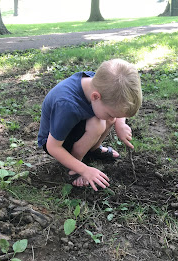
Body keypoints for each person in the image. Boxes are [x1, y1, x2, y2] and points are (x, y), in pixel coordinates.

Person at [38, 58, 142, 191]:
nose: (115, 117)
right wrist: (85, 170)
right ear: (95, 97)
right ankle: (75, 168)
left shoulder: (101, 83)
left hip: (75, 123)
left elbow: (114, 109)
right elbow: (52, 147)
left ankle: (92, 150)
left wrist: (120, 124)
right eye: (112, 113)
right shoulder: (66, 105)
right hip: (56, 141)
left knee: (107, 120)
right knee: (97, 124)